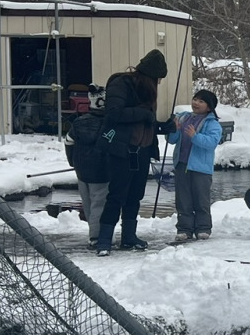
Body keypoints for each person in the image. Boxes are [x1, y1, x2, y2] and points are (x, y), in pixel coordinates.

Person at [94, 49, 171, 255]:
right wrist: (144, 113)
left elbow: (147, 123)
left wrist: (164, 126)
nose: (158, 83)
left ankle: (129, 236)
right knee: (117, 194)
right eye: (157, 79)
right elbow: (114, 113)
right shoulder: (121, 83)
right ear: (149, 75)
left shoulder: (147, 90)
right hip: (122, 149)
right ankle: (104, 240)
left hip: (143, 150)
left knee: (135, 195)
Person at [166, 89, 223, 242]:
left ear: (209, 107)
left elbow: (211, 143)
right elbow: (171, 140)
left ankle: (203, 228)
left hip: (201, 168)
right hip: (181, 164)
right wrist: (174, 130)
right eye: (195, 99)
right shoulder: (183, 118)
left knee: (201, 199)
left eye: (201, 101)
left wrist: (195, 136)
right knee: (183, 199)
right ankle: (184, 229)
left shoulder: (213, 124)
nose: (196, 103)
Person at [63, 102, 109, 246]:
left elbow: (68, 141)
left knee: (88, 203)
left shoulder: (79, 122)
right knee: (99, 204)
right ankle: (95, 236)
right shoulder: (109, 123)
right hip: (102, 170)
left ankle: (93, 231)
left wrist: (73, 162)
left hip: (82, 169)